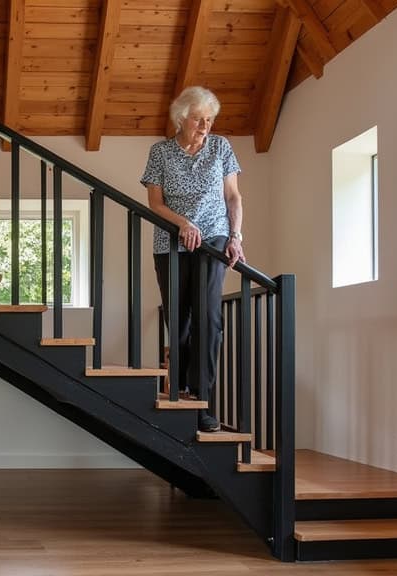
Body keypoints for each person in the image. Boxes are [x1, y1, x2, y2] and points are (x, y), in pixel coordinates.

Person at [140, 86, 245, 433]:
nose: (205, 126)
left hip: (213, 239)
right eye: (199, 119)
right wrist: (183, 223)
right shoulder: (161, 152)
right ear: (182, 118)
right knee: (179, 321)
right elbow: (155, 203)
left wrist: (235, 237)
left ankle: (202, 401)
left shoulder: (221, 148)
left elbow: (232, 196)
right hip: (170, 240)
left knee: (208, 319)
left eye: (210, 119)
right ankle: (181, 389)